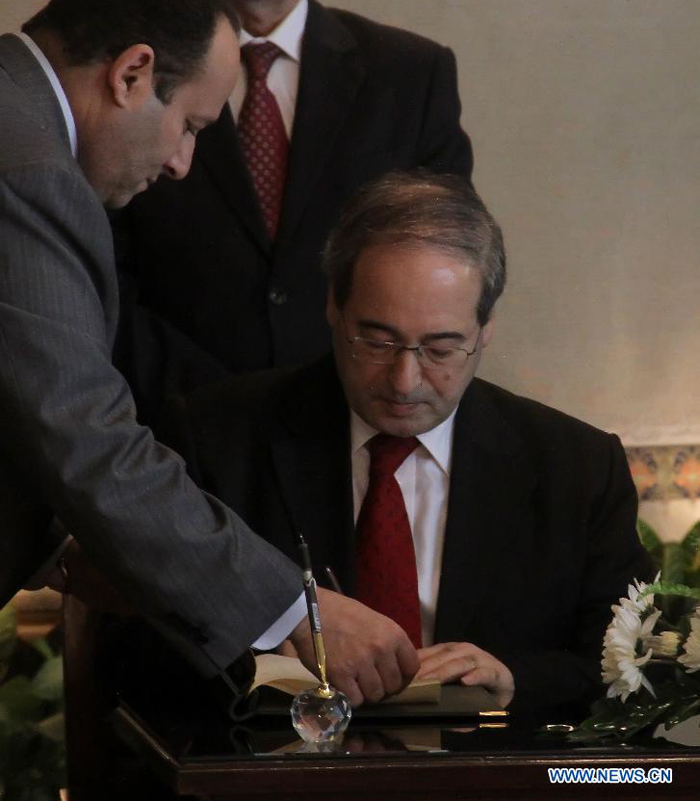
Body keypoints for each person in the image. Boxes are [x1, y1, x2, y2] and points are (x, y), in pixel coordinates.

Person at [0, 0, 418, 707]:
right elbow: (86, 438)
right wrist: (301, 611)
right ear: (131, 73)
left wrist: (74, 537)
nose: (184, 163)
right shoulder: (28, 170)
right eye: (190, 124)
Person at [161, 171, 654, 710]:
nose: (404, 381)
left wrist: (514, 681)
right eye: (376, 341)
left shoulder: (577, 469)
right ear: (333, 307)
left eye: (440, 350)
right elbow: (155, 643)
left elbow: (630, 671)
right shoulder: (219, 436)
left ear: (485, 329)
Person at [113, 0, 474, 422]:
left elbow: (446, 263)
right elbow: (98, 271)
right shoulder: (127, 69)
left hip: (348, 427)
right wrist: (212, 406)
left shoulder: (410, 75)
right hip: (164, 423)